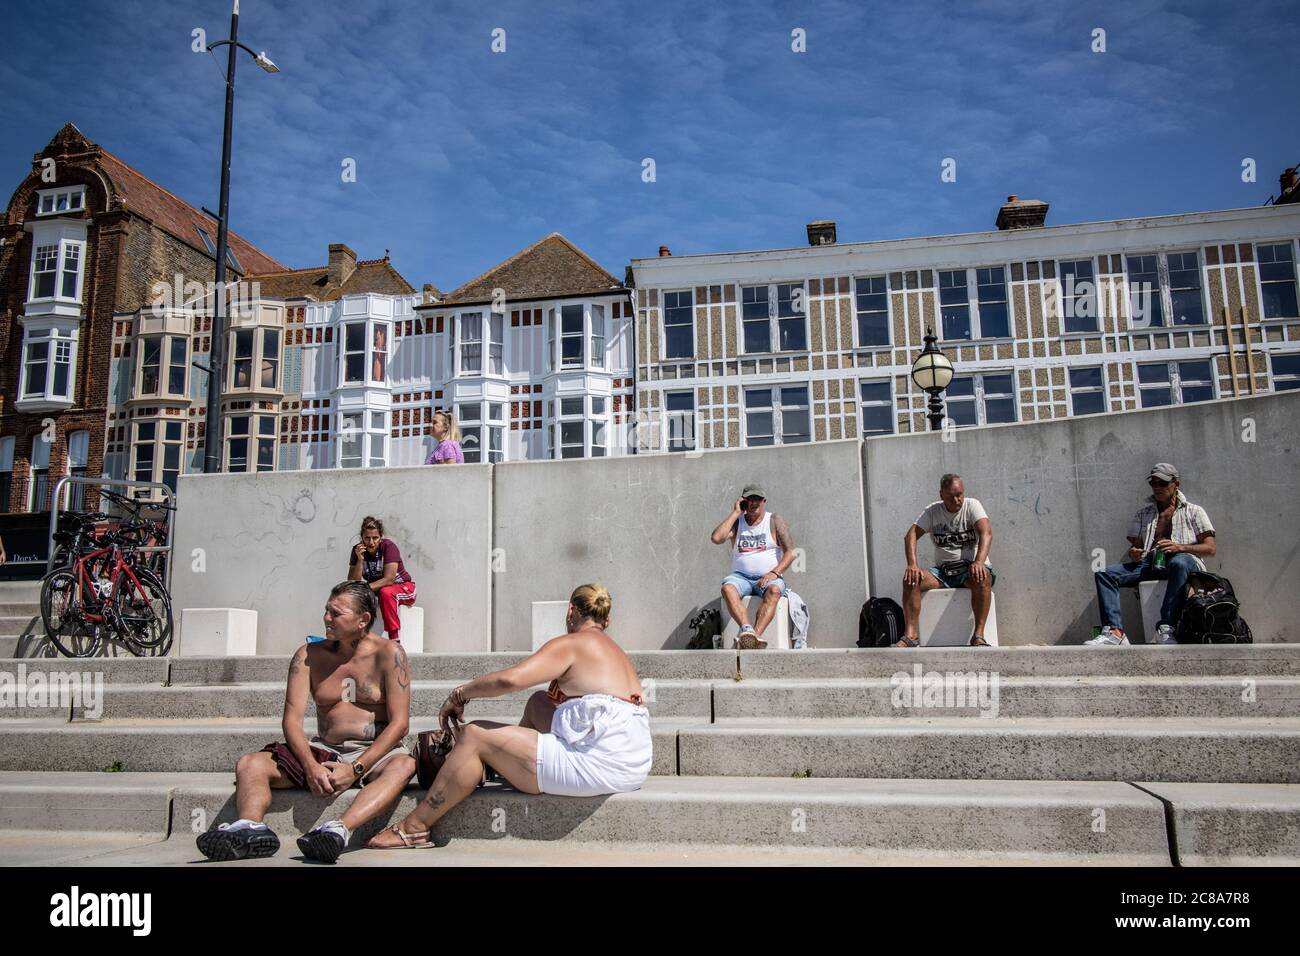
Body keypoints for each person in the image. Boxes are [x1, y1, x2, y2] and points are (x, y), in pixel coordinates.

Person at [367, 583, 651, 850]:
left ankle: (415, 826)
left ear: (571, 611)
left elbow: (510, 681)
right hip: (632, 763)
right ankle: (504, 764)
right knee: (539, 702)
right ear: (606, 621)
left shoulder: (572, 643)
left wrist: (460, 693)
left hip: (597, 766)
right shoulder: (616, 652)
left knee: (475, 734)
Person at [196, 581, 416, 863]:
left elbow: (400, 724)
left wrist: (354, 769)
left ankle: (337, 830)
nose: (326, 618)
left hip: (375, 752)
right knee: (250, 764)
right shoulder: (308, 655)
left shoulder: (389, 654)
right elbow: (291, 721)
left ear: (363, 620)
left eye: (336, 614)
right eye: (326, 610)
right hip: (325, 749)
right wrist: (311, 767)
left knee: (405, 765)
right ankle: (250, 829)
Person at [1085, 463, 1216, 646]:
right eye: (1153, 483)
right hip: (1152, 562)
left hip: (1185, 562)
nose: (1157, 487)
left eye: (1162, 483)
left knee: (1178, 563)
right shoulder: (1144, 514)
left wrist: (1179, 547)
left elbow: (1210, 548)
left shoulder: (1193, 511)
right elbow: (1136, 548)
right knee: (1105, 574)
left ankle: (1166, 627)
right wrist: (1135, 553)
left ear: (1176, 484)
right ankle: (1115, 632)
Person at [899, 474, 995, 647]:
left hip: (969, 570)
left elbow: (986, 532)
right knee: (911, 580)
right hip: (943, 572)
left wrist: (979, 562)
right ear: (941, 495)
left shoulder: (972, 505)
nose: (957, 499)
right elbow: (910, 535)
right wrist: (912, 565)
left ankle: (978, 635)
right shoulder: (933, 511)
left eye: (959, 494)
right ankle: (911, 636)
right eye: (951, 496)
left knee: (982, 577)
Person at [709, 483, 796, 649]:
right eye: (750, 499)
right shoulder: (737, 522)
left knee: (775, 590)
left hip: (768, 577)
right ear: (743, 502)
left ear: (764, 501)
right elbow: (716, 538)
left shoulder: (774, 520)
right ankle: (747, 630)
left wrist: (774, 573)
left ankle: (754, 636)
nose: (754, 503)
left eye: (757, 499)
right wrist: (735, 513)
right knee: (727, 588)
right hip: (740, 577)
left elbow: (790, 553)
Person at [347, 516, 417, 642]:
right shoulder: (357, 550)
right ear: (362, 537)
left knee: (386, 592)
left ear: (381, 537)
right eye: (367, 538)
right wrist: (360, 560)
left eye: (375, 538)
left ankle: (394, 639)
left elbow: (389, 579)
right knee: (351, 596)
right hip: (376, 590)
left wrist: (364, 588)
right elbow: (353, 582)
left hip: (404, 588)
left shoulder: (388, 547)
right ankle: (355, 639)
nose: (371, 542)